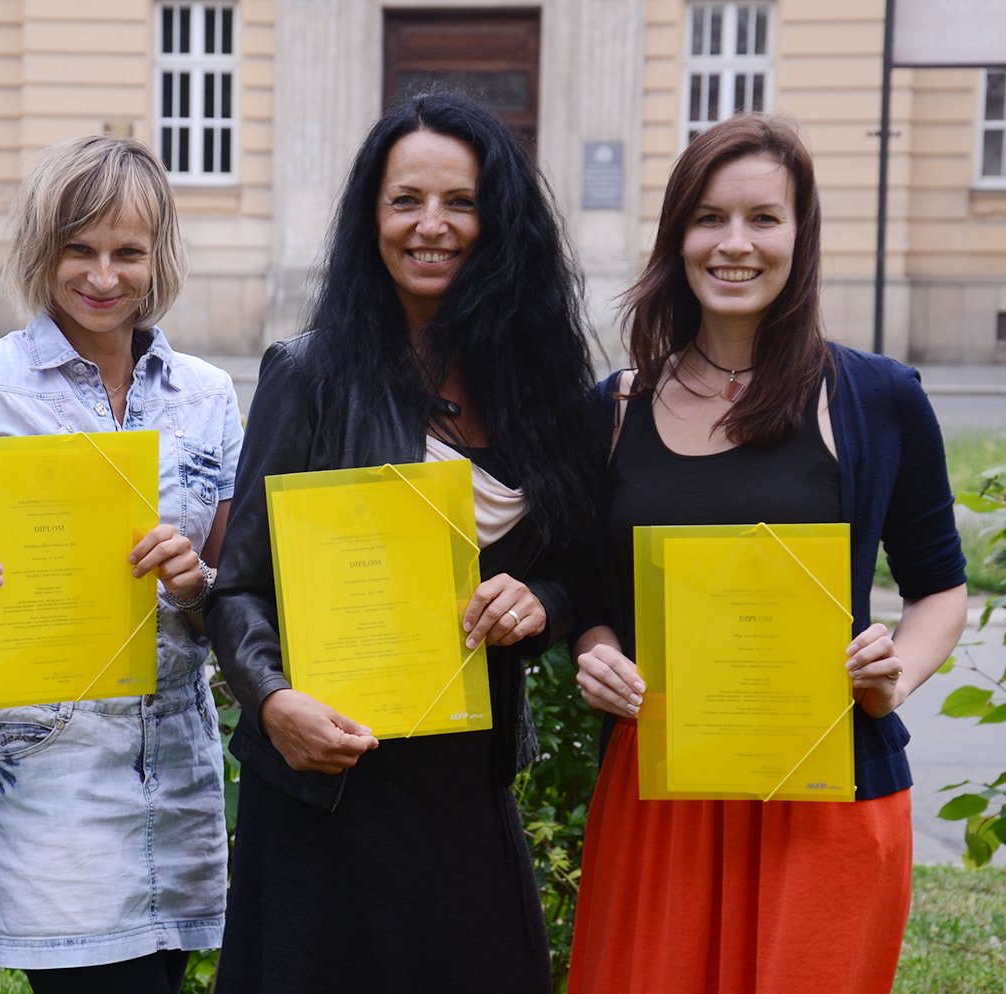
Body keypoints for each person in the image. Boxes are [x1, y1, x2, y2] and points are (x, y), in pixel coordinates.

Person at [204, 91, 602, 992]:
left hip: (466, 782)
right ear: (370, 219)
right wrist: (271, 701)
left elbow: (573, 567)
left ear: (500, 220)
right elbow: (239, 586)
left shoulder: (542, 389)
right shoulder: (308, 375)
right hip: (326, 780)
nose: (432, 225)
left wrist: (542, 603)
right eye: (405, 201)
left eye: (461, 201)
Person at [567, 115, 968, 994]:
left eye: (763, 218)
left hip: (827, 790)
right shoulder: (614, 411)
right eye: (709, 218)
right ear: (677, 237)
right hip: (661, 792)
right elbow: (585, 593)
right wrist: (596, 651)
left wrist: (895, 675)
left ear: (801, 234)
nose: (735, 244)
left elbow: (940, 588)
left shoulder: (878, 398)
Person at [0, 134, 241, 994]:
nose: (103, 275)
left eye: (127, 252)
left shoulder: (207, 395)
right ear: (43, 249)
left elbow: (235, 598)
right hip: (56, 793)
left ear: (158, 257)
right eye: (79, 249)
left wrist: (195, 583)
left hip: (181, 785)